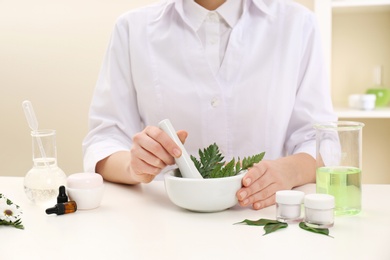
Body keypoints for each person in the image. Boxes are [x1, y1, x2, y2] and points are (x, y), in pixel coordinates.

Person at [82, 0, 337, 210]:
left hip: (265, 215)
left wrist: (289, 171)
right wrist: (133, 166)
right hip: (165, 220)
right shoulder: (132, 29)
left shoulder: (298, 25)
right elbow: (104, 140)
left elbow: (321, 140)